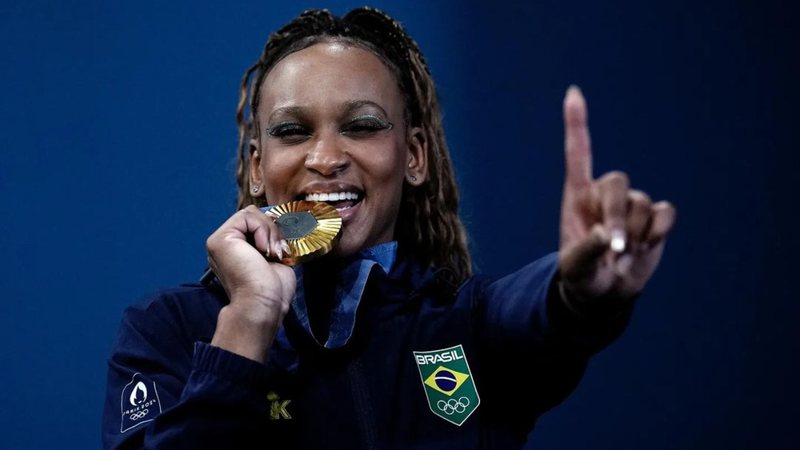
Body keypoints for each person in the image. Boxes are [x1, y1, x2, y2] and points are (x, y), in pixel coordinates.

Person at [102, 6, 675, 449]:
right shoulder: (167, 331)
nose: (326, 156)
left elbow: (531, 310)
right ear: (257, 167)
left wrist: (574, 291)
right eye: (293, 132)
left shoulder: (465, 329)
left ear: (415, 156)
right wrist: (248, 323)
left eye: (363, 125)